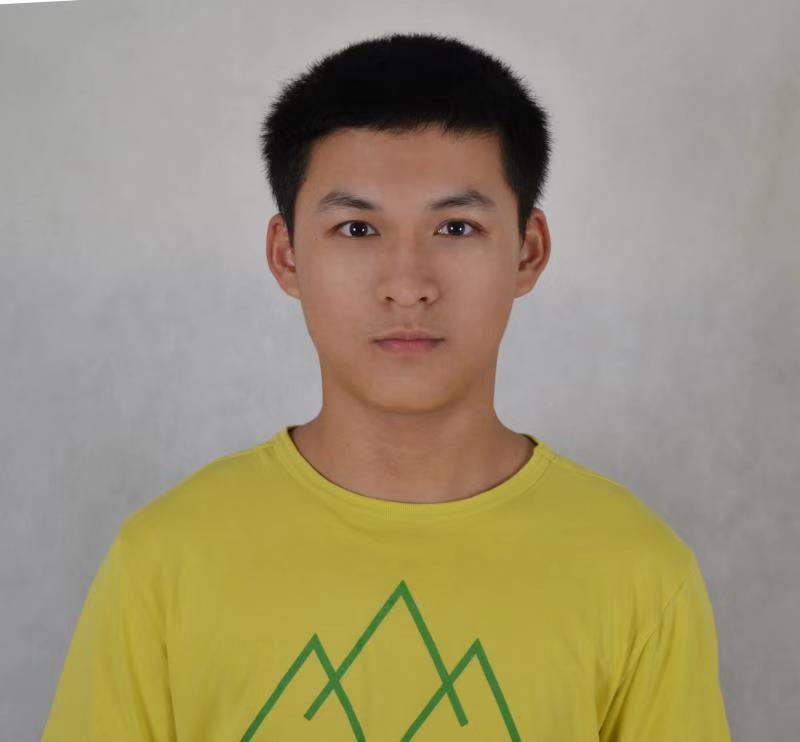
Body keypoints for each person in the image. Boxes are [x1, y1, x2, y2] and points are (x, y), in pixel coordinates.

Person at [42, 32, 732, 741]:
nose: (407, 285)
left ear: (527, 252)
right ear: (287, 255)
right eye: (356, 228)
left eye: (456, 226)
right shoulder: (164, 562)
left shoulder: (639, 574)